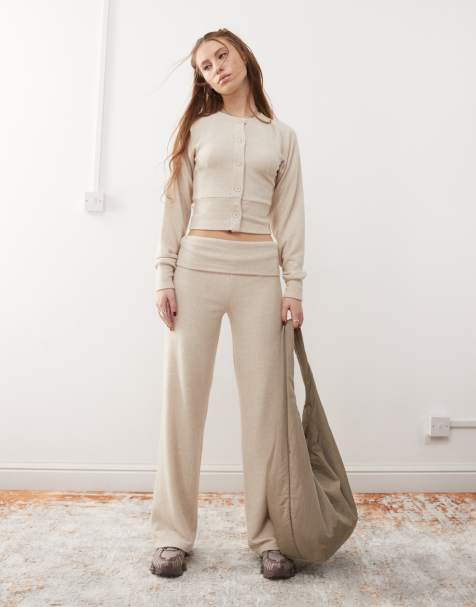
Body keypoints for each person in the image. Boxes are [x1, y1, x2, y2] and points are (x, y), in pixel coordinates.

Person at [149, 27, 306, 580]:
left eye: (222, 55)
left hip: (259, 274)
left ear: (243, 56)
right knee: (183, 403)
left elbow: (290, 215)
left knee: (265, 408)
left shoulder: (281, 137)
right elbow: (175, 204)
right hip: (196, 269)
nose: (217, 67)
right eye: (206, 65)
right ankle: (172, 535)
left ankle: (268, 536)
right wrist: (164, 274)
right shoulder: (197, 130)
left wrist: (294, 285)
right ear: (203, 79)